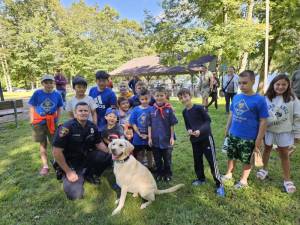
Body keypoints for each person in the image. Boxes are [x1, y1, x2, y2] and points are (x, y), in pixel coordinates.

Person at [52, 102, 112, 200]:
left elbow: (98, 143)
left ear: (89, 113)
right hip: (70, 162)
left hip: (86, 157)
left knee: (107, 157)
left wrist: (111, 153)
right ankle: (64, 173)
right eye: (80, 111)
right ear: (75, 113)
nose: (83, 113)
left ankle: (90, 174)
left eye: (85, 110)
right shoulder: (66, 128)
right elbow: (56, 151)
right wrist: (68, 171)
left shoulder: (92, 126)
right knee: (75, 195)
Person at [221, 70, 268, 189]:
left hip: (249, 137)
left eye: (245, 83)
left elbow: (263, 121)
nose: (241, 86)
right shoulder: (237, 97)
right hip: (233, 134)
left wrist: (259, 139)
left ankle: (243, 180)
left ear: (253, 81)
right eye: (240, 83)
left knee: (247, 159)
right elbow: (231, 113)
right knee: (231, 155)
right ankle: (229, 174)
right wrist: (227, 128)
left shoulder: (260, 100)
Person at [256, 74, 300, 193]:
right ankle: (264, 169)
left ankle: (287, 179)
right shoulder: (266, 97)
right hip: (269, 130)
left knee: (284, 154)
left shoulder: (293, 99)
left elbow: (297, 116)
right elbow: (260, 115)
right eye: (278, 84)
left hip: (284, 131)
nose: (280, 87)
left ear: (288, 85)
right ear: (273, 85)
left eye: (284, 84)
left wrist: (297, 133)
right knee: (267, 149)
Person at [177, 88, 225, 197]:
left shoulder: (199, 108)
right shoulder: (184, 112)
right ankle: (201, 179)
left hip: (206, 138)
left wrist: (200, 131)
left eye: (185, 96)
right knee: (197, 160)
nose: (183, 99)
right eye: (181, 98)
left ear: (190, 96)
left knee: (212, 161)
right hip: (195, 140)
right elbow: (187, 125)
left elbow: (208, 121)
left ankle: (219, 184)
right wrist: (189, 130)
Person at [29, 74, 63, 176]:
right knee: (43, 144)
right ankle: (45, 166)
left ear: (54, 83)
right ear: (42, 83)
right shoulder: (37, 93)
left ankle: (57, 163)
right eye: (46, 82)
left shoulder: (57, 94)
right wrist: (31, 119)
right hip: (39, 122)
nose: (49, 85)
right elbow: (32, 105)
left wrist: (58, 119)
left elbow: (59, 107)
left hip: (52, 122)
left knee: (55, 144)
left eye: (51, 82)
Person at [148, 86, 178, 181]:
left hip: (166, 139)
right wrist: (149, 138)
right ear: (154, 96)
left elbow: (172, 124)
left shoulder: (169, 109)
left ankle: (167, 173)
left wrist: (172, 137)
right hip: (155, 139)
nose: (159, 97)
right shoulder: (151, 109)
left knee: (167, 158)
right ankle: (159, 173)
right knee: (157, 158)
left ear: (166, 96)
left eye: (161, 95)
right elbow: (149, 125)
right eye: (157, 95)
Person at [129, 88, 153, 168]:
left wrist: (149, 135)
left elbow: (153, 123)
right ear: (139, 99)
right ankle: (139, 167)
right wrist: (139, 134)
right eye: (142, 99)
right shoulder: (136, 109)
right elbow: (133, 122)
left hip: (149, 136)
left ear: (150, 98)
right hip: (138, 136)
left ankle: (150, 166)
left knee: (150, 152)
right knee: (140, 153)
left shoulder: (152, 109)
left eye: (146, 99)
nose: (144, 101)